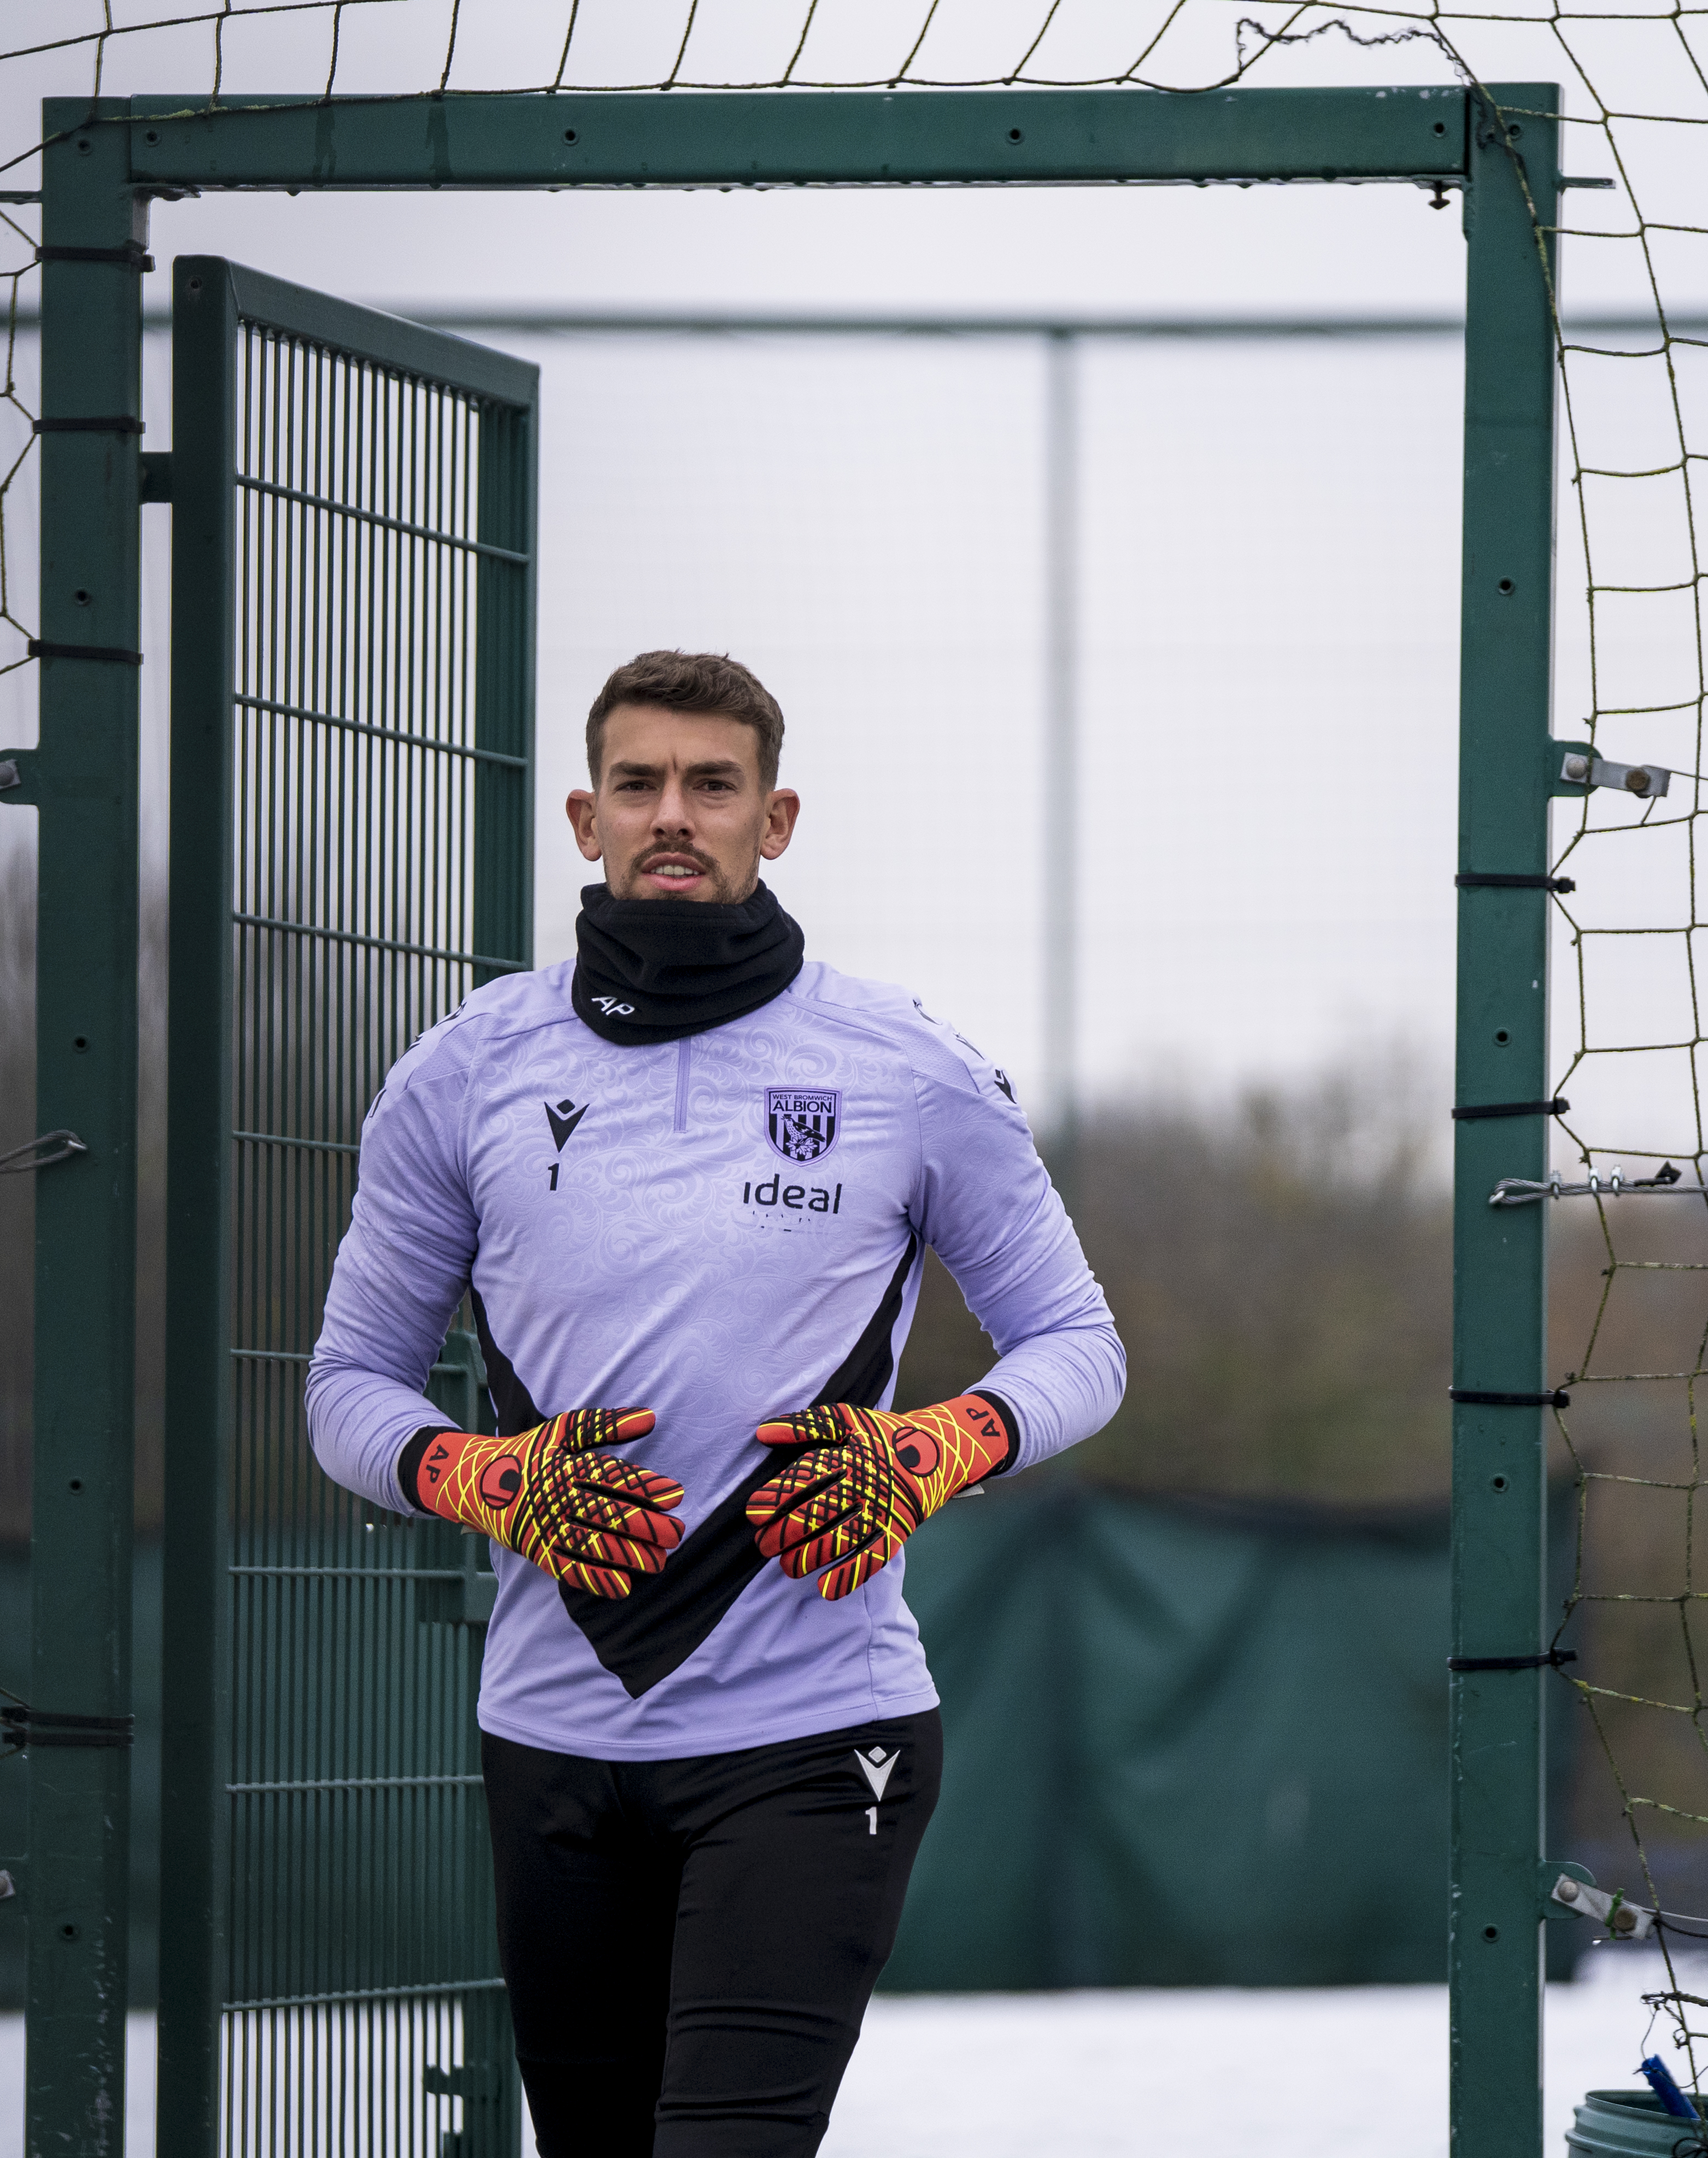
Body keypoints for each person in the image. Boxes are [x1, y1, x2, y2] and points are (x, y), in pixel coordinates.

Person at [306, 649, 1125, 2157]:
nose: (671, 814)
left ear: (776, 817)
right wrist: (480, 1479)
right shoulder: (458, 1075)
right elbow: (345, 1391)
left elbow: (1077, 1346)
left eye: (711, 785)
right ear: (583, 815)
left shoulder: (907, 1067)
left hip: (819, 1735)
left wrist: (939, 1446)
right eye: (638, 784)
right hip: (551, 1734)